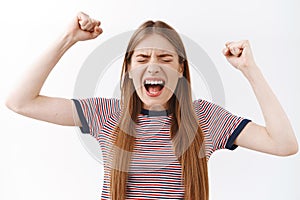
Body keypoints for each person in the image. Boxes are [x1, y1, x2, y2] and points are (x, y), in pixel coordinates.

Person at [5, 12, 298, 200]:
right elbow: (20, 102)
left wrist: (250, 69)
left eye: (166, 58)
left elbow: (284, 144)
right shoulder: (106, 115)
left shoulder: (205, 118)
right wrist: (67, 38)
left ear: (181, 69)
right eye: (142, 59)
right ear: (129, 69)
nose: (153, 66)